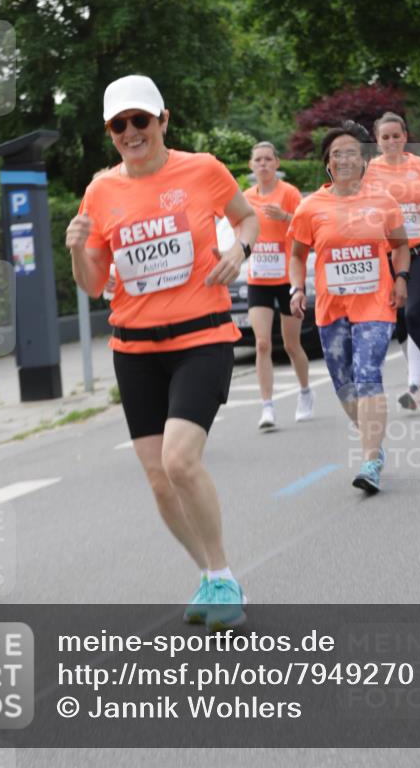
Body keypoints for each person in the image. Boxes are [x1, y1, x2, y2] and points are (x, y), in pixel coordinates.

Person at [65, 75, 259, 631]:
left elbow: (248, 216)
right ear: (111, 133)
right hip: (134, 346)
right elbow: (92, 280)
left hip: (201, 337)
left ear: (162, 121)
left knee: (180, 459)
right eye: (119, 125)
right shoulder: (100, 192)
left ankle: (223, 573)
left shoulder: (202, 170)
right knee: (157, 477)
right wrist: (79, 250)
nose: (131, 132)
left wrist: (239, 249)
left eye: (140, 121)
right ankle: (207, 573)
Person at [289, 122, 410, 494]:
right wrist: (296, 288)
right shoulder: (311, 208)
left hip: (375, 302)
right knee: (344, 384)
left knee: (367, 372)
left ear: (364, 159)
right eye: (336, 153)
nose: (344, 159)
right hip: (331, 307)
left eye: (352, 152)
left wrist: (402, 276)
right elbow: (297, 255)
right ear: (328, 162)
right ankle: (372, 441)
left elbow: (400, 244)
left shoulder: (383, 202)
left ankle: (370, 459)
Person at [366, 113, 420, 410]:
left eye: (396, 135)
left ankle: (414, 382)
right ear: (377, 141)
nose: (392, 141)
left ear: (405, 136)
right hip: (390, 252)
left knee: (413, 312)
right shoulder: (370, 170)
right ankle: (419, 380)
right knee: (399, 317)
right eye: (385, 137)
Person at [243, 141, 314, 430]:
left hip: (287, 278)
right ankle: (267, 407)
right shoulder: (246, 197)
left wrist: (285, 217)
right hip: (258, 278)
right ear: (251, 165)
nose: (263, 164)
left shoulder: (290, 193)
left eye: (268, 159)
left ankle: (305, 392)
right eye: (258, 159)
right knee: (262, 344)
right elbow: (240, 231)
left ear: (276, 163)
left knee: (291, 344)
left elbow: (305, 228)